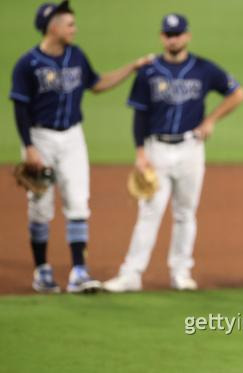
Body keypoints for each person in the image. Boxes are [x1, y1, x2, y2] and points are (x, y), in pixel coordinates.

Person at [9, 1, 153, 293]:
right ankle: (42, 270)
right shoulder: (28, 64)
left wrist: (132, 68)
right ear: (53, 27)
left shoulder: (76, 55)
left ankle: (78, 272)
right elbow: (20, 108)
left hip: (73, 138)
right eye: (69, 24)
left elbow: (97, 84)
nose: (74, 29)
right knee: (40, 207)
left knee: (78, 202)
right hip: (40, 139)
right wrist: (29, 148)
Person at [103, 13, 243, 292]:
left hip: (191, 148)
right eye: (168, 34)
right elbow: (139, 115)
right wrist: (140, 152)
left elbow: (237, 93)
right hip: (156, 149)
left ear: (187, 36)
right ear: (161, 37)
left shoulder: (203, 69)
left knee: (185, 213)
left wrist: (211, 119)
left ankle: (180, 273)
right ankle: (131, 274)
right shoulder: (148, 71)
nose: (173, 39)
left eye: (178, 34)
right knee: (149, 212)